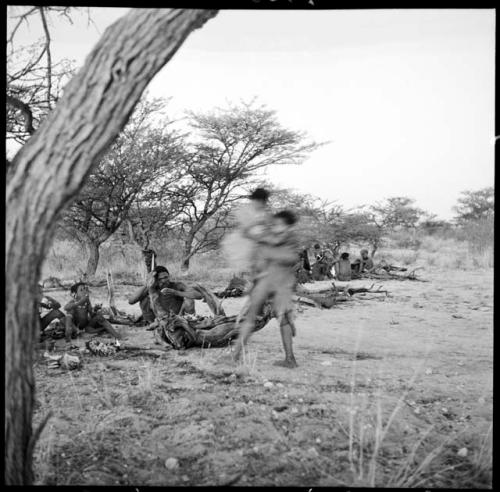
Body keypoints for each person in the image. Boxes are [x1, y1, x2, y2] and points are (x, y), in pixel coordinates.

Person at [232, 210, 300, 368]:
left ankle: (290, 359)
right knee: (251, 318)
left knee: (283, 319)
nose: (276, 227)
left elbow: (292, 259)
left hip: (279, 284)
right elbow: (250, 237)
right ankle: (235, 355)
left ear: (288, 227)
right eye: (275, 224)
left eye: (279, 224)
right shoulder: (273, 238)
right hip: (267, 282)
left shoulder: (289, 241)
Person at [128, 265, 196, 326]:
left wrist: (176, 292)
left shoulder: (177, 285)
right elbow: (131, 301)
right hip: (159, 319)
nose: (164, 280)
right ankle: (151, 322)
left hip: (179, 318)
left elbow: (194, 294)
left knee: (189, 298)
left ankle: (189, 322)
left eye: (166, 277)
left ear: (169, 276)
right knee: (144, 299)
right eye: (160, 279)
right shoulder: (152, 288)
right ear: (156, 280)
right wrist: (147, 285)